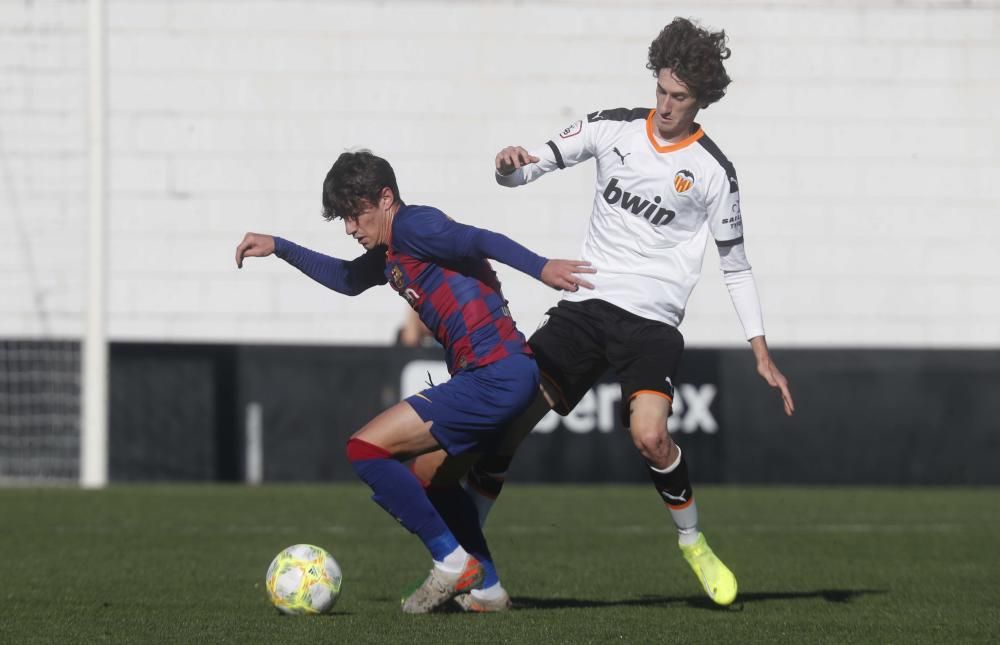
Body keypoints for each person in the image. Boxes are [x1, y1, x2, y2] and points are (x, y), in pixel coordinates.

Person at [412, 17, 795, 612]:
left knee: (649, 436)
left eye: (680, 97)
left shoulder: (716, 173)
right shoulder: (611, 128)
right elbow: (525, 169)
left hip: (651, 322)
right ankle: (472, 569)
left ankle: (692, 541)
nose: (666, 105)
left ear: (702, 100)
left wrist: (760, 348)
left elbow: (736, 265)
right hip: (586, 308)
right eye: (662, 90)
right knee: (507, 423)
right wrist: (509, 163)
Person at [234, 150, 594, 613]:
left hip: (496, 375)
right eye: (343, 219)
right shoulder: (391, 251)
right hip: (495, 375)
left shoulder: (412, 226)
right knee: (432, 477)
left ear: (385, 198)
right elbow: (346, 280)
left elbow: (479, 238)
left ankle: (450, 561)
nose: (349, 228)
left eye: (354, 215)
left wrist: (541, 266)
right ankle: (486, 589)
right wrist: (280, 246)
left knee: (365, 450)